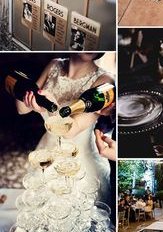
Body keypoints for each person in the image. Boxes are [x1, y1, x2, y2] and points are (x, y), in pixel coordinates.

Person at [16, 54, 115, 204]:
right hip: (48, 150)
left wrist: (51, 106)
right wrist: (24, 91)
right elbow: (22, 109)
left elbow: (70, 131)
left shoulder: (105, 80)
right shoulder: (54, 64)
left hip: (78, 161)